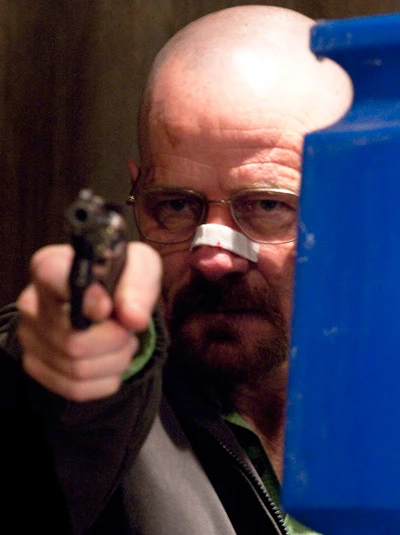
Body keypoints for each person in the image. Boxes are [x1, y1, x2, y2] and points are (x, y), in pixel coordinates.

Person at [0, 5, 353, 535]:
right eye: (177, 206)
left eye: (267, 205)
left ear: (358, 202)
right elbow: (50, 417)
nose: (213, 258)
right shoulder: (109, 413)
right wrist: (56, 354)